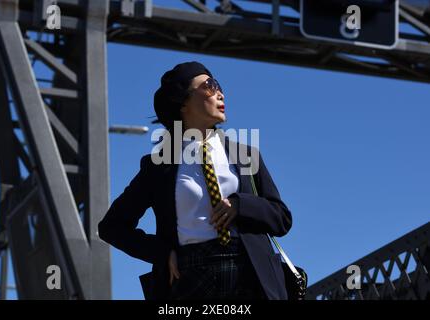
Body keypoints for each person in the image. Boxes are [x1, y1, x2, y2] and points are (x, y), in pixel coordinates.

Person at [98, 61, 292, 300]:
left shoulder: (246, 155)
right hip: (190, 279)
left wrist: (241, 204)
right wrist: (160, 252)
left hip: (250, 274)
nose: (220, 92)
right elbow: (111, 227)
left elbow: (282, 218)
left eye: (218, 85)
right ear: (183, 103)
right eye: (209, 86)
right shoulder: (159, 166)